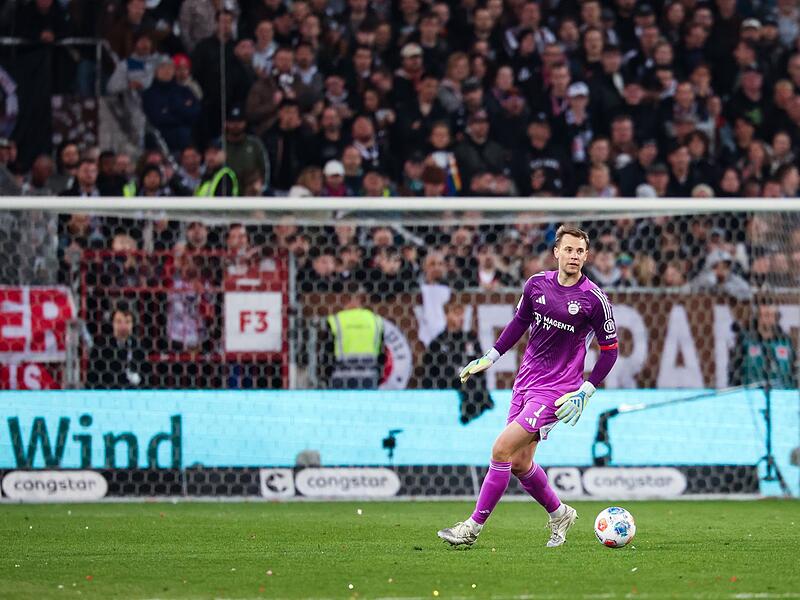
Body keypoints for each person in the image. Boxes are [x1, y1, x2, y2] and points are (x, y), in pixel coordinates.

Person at [437, 225, 619, 548]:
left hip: (558, 391)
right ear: (557, 253)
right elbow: (520, 322)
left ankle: (471, 528)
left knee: (501, 449)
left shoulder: (594, 300)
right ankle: (560, 513)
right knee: (520, 462)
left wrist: (586, 391)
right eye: (569, 250)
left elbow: (610, 350)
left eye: (580, 251)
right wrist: (490, 357)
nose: (574, 256)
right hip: (525, 382)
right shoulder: (536, 285)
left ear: (586, 256)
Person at [420, 301, 494, 424]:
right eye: (456, 313)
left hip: (472, 386)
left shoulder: (470, 339)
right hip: (449, 389)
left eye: (462, 314)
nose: (461, 318)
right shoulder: (437, 343)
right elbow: (429, 373)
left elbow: (481, 366)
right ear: (447, 315)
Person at [321, 283, 385, 390]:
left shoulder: (336, 321)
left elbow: (327, 353)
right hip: (368, 376)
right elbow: (382, 354)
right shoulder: (376, 320)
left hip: (341, 377)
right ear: (361, 299)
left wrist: (326, 377)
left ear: (344, 299)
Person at [729, 303, 797, 389]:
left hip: (782, 395)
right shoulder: (746, 341)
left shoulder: (785, 342)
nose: (769, 319)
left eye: (772, 315)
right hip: (752, 394)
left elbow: (793, 370)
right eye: (765, 315)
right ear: (758, 317)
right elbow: (734, 370)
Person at [87, 303, 149, 389]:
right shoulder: (101, 348)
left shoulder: (138, 347)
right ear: (112, 324)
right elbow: (92, 379)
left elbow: (146, 375)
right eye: (118, 321)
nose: (123, 326)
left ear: (132, 325)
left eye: (127, 322)